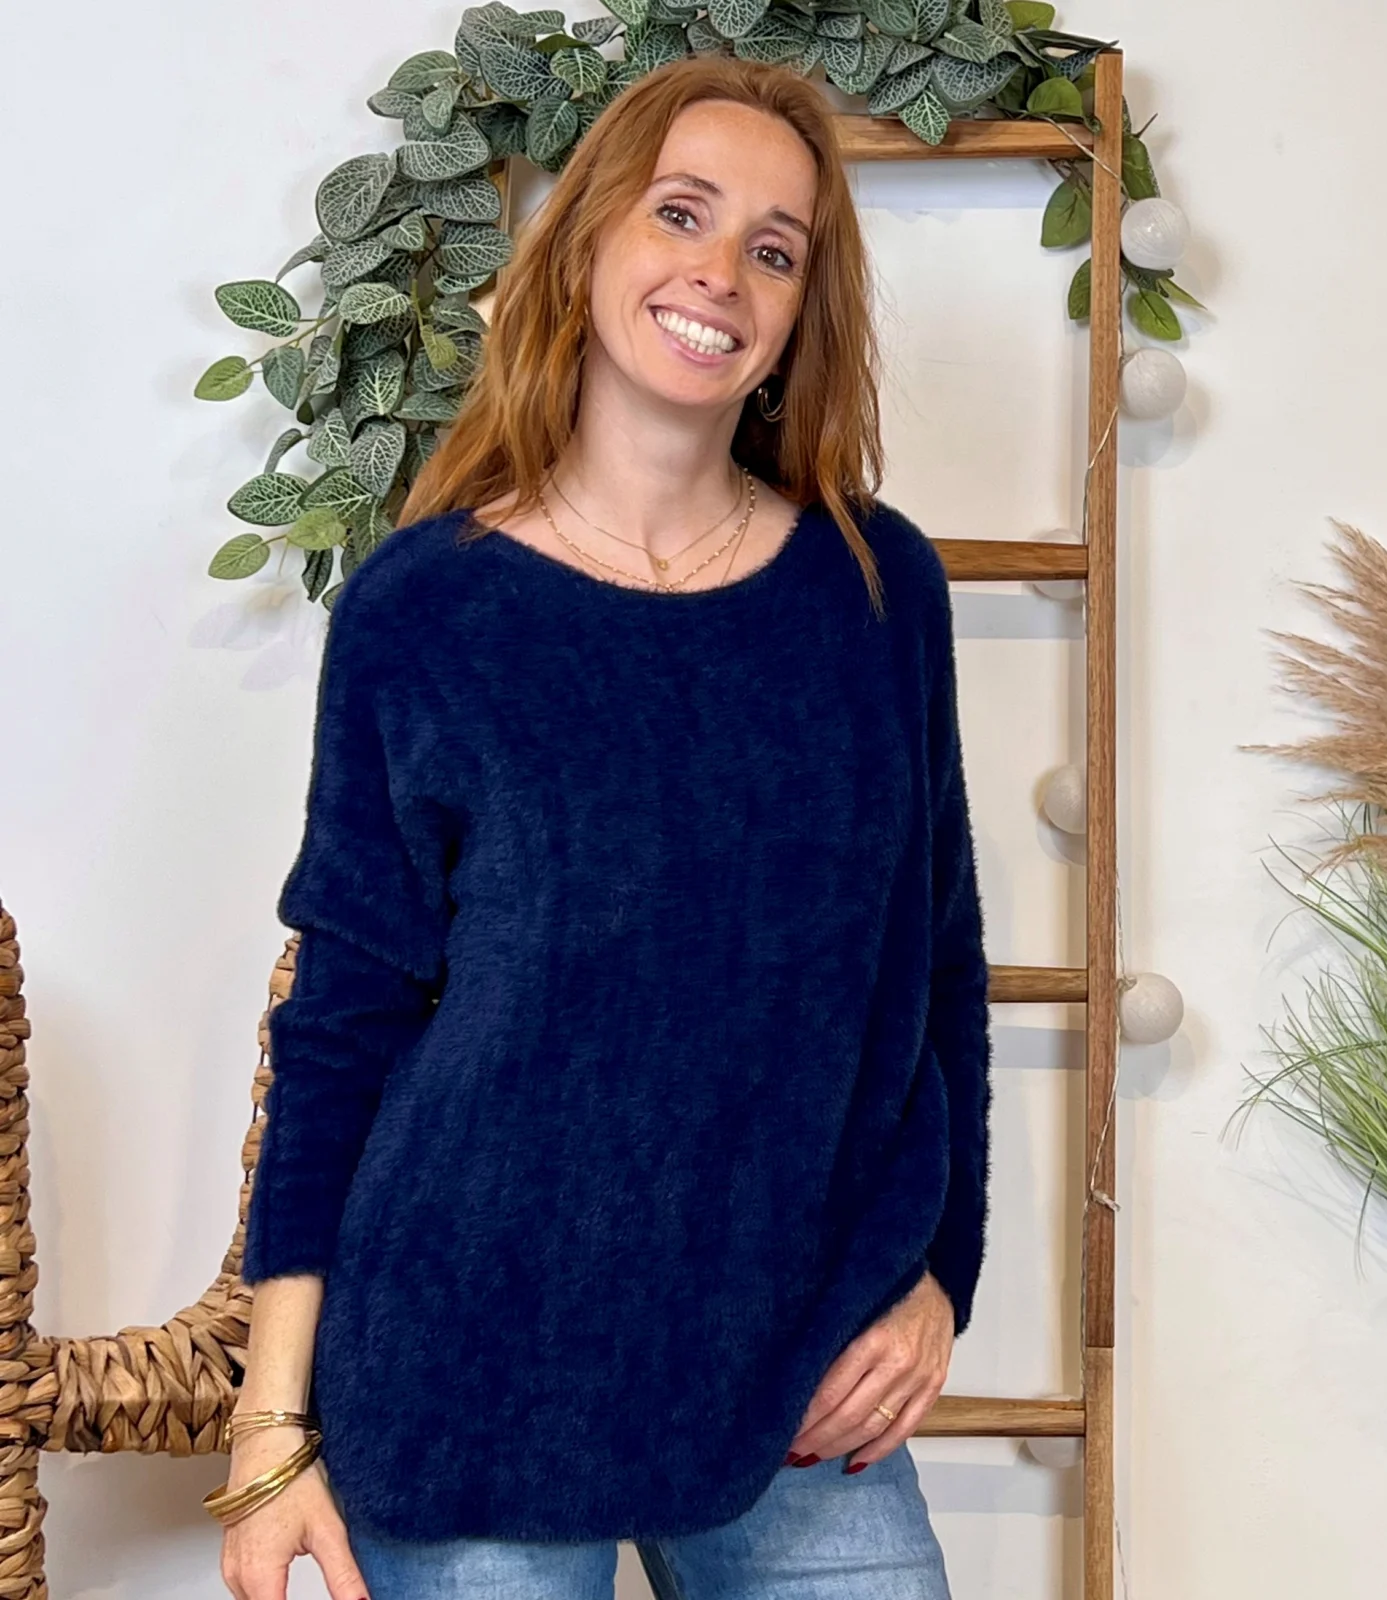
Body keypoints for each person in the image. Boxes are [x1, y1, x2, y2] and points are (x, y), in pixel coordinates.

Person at [217, 52, 992, 1600]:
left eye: (774, 249)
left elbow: (937, 968)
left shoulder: (874, 591)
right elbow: (346, 1019)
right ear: (584, 248)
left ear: (799, 316)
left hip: (796, 1375)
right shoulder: (422, 610)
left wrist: (939, 1279)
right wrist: (270, 1425)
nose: (722, 273)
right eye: (680, 214)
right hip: (468, 1373)